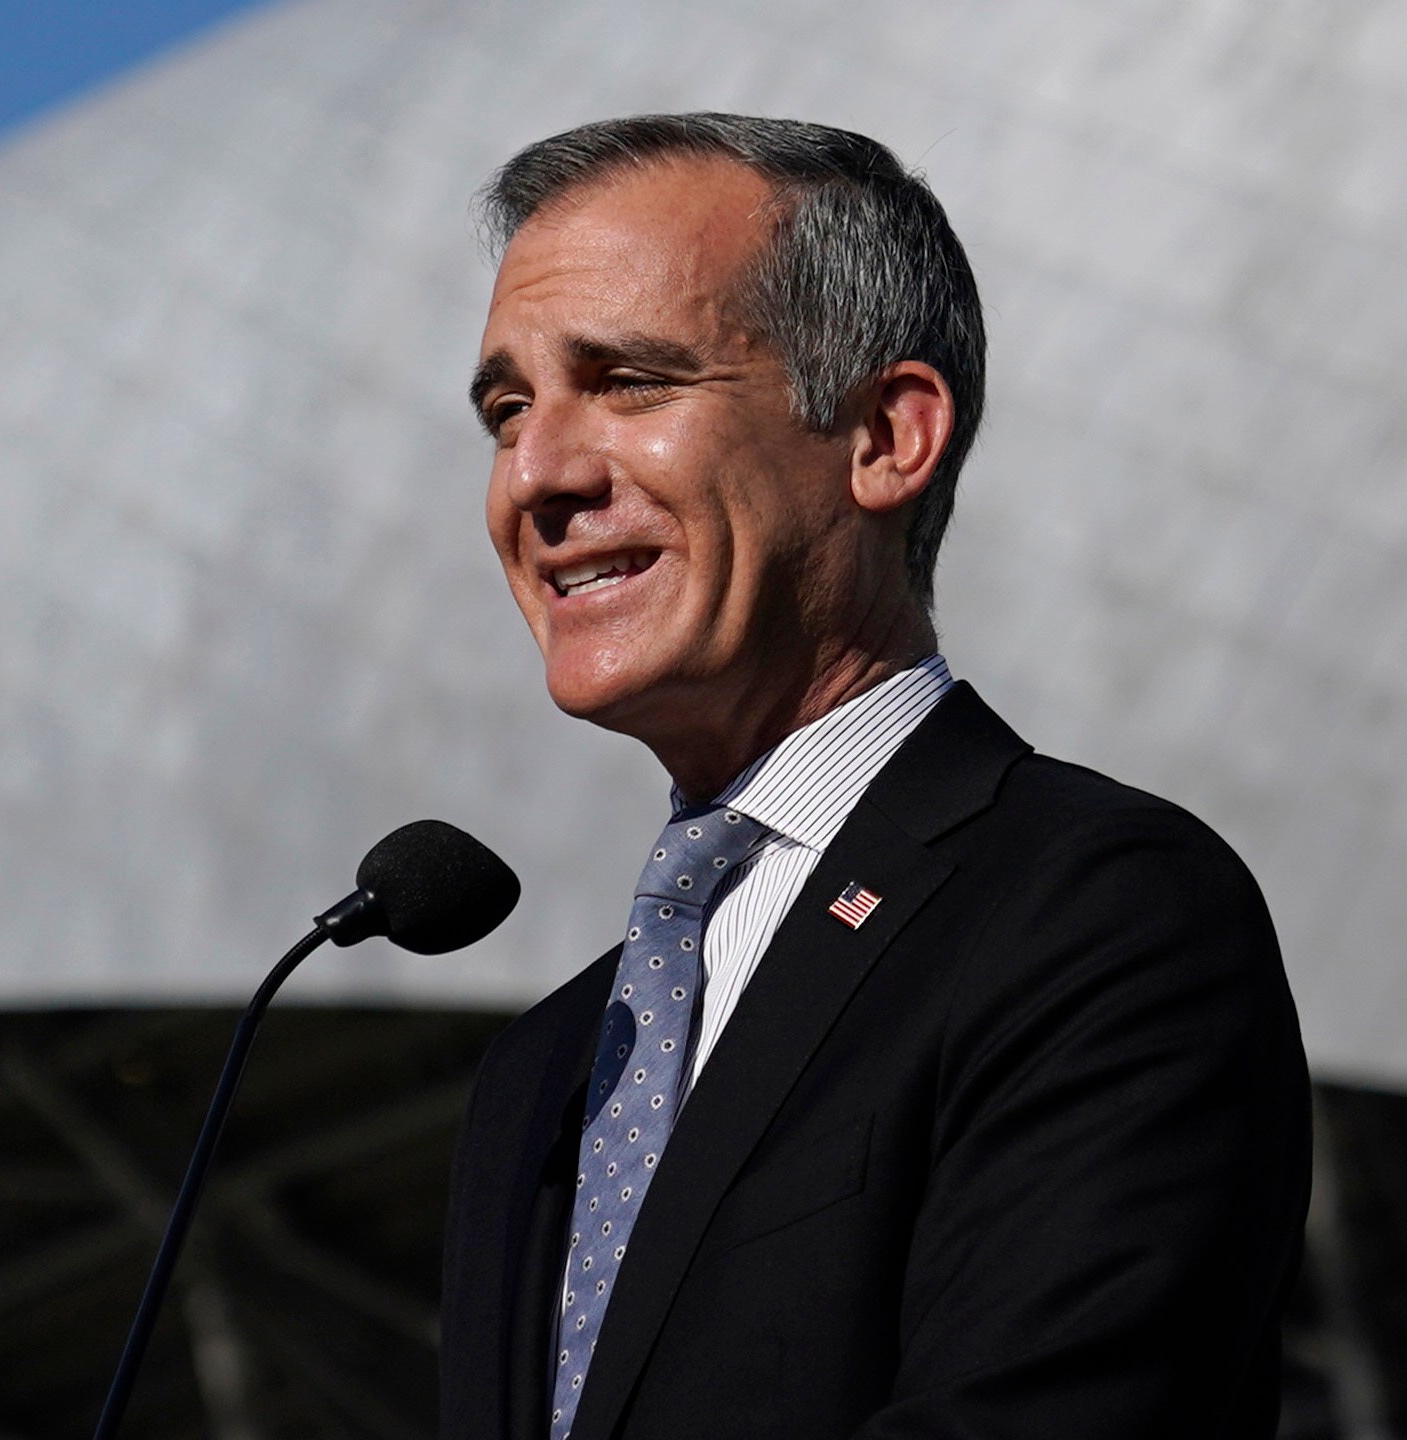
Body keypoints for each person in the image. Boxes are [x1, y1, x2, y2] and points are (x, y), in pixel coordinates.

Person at [440, 114, 1310, 1440]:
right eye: (509, 409)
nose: (539, 475)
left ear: (888, 439)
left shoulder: (1094, 911)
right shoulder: (550, 1069)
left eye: (626, 382)